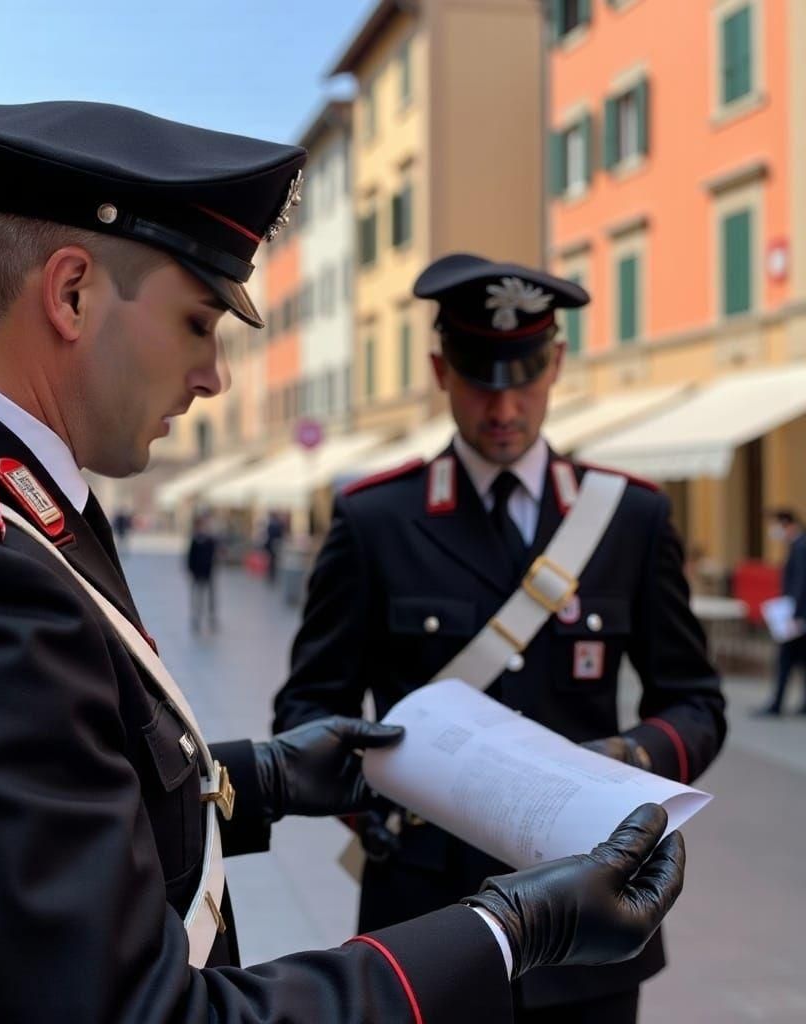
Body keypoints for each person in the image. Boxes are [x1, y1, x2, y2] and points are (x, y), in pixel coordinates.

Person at [0, 105, 685, 1022]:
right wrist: (509, 930)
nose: (214, 374)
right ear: (72, 294)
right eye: (197, 322)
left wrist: (264, 777)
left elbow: (63, 800)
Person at [273, 253, 726, 1024]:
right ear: (440, 371)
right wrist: (376, 806)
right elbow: (308, 710)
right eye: (481, 379)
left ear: (556, 364)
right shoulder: (376, 519)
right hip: (426, 921)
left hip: (591, 917)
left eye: (525, 376)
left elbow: (695, 702)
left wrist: (631, 760)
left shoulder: (630, 517)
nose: (505, 406)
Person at [757, 508, 806, 715]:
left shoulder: (801, 546)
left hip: (797, 615)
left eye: (776, 525)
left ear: (787, 524)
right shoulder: (797, 545)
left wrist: (795, 615)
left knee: (785, 659)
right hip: (796, 613)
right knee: (799, 659)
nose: (774, 531)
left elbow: (801, 583)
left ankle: (776, 704)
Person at [187, 511, 219, 632]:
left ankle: (211, 617)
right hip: (197, 573)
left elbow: (214, 556)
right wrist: (191, 570)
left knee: (209, 597)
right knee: (197, 596)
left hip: (208, 572)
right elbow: (190, 557)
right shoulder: (195, 540)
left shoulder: (210, 540)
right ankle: (196, 616)